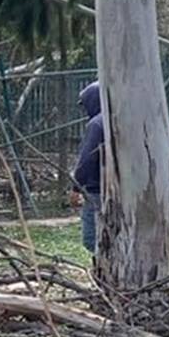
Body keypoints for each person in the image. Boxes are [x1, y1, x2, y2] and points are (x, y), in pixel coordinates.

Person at [71, 81, 104, 254]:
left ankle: (106, 270)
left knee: (92, 239)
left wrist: (76, 187)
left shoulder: (96, 124)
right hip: (120, 187)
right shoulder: (117, 118)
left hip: (96, 189)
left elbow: (87, 159)